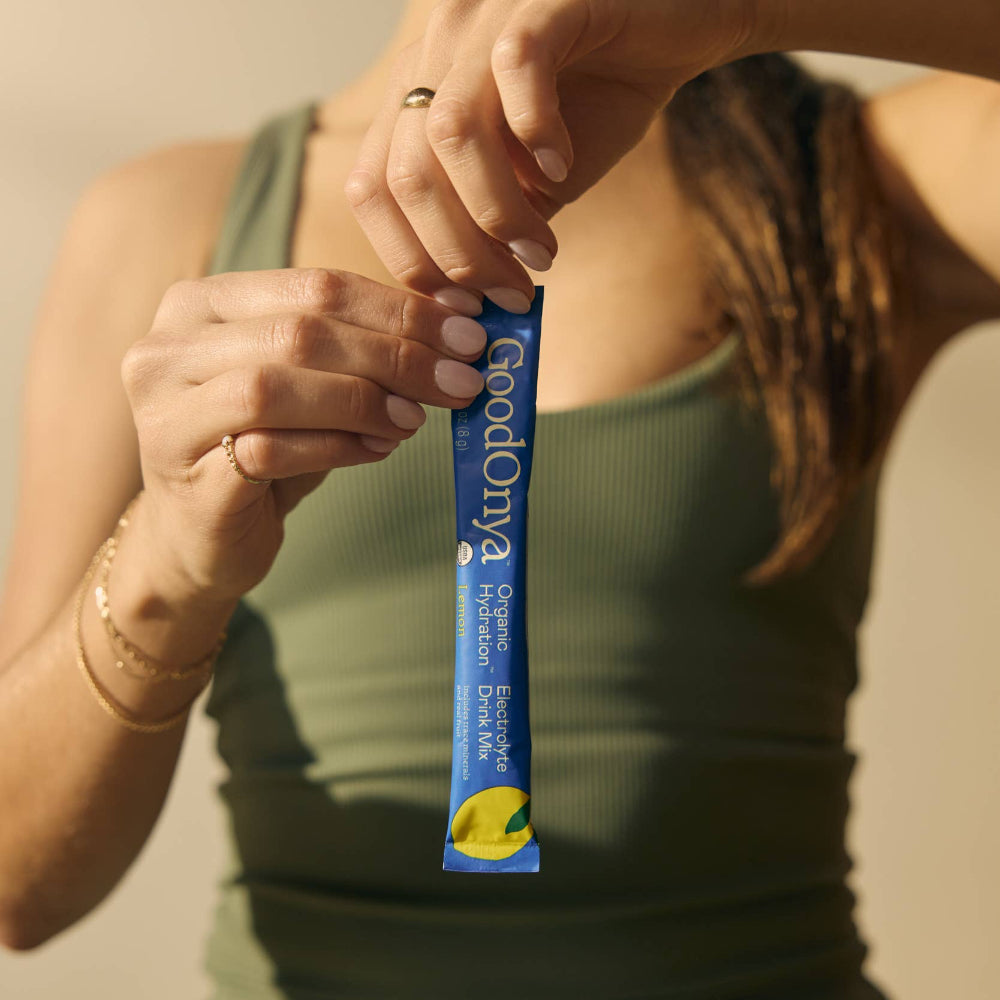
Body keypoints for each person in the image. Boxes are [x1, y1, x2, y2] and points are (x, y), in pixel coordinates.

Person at [0, 0, 997, 996]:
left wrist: (730, 10)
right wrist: (163, 566)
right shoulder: (173, 218)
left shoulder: (849, 175)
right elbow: (16, 883)